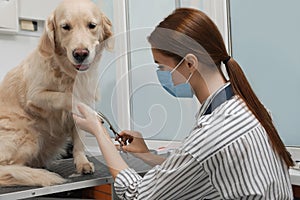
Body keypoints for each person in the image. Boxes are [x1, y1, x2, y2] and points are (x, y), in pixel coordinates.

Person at [73, 8, 294, 199]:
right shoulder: (247, 108)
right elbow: (200, 169)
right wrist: (147, 155)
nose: (161, 75)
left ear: (189, 63)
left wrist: (98, 131)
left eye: (161, 66)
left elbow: (138, 194)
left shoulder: (213, 133)